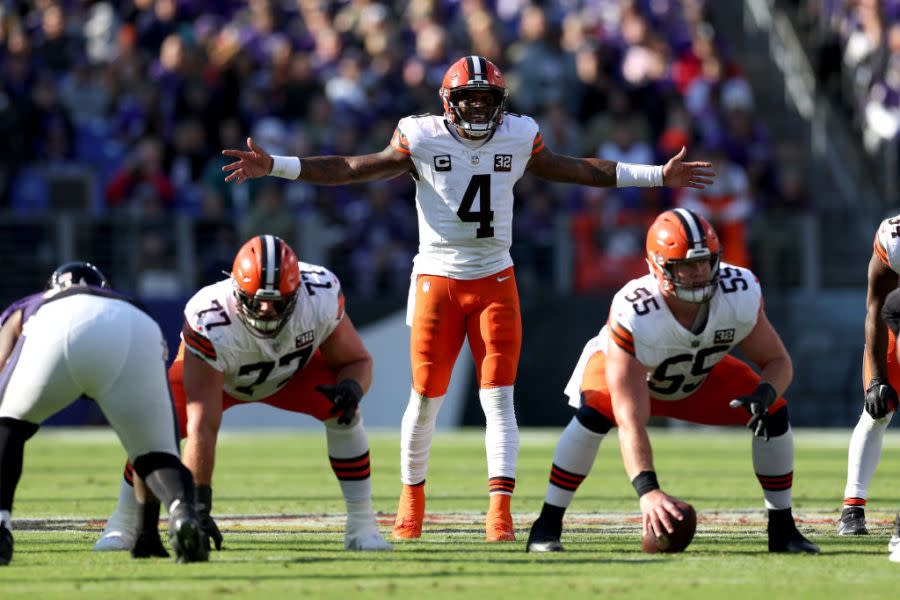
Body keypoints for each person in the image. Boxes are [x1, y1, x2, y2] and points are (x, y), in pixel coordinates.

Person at [221, 56, 715, 542]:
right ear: (448, 102)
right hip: (436, 278)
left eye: (487, 99)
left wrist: (656, 176)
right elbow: (352, 168)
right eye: (469, 99)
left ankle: (499, 513)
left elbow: (578, 170)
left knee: (499, 399)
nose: (478, 109)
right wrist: (277, 166)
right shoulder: (421, 134)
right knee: (426, 398)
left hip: (495, 277)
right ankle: (411, 502)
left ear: (501, 102)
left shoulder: (519, 134)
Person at [525, 209, 818, 554]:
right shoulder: (635, 311)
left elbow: (778, 361)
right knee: (594, 416)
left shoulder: (738, 292)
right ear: (658, 265)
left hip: (697, 375)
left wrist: (765, 393)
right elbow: (631, 421)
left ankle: (782, 530)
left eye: (705, 262)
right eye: (686, 265)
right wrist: (648, 490)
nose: (699, 273)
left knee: (775, 413)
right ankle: (546, 525)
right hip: (633, 376)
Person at [94, 235, 392, 553]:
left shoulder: (319, 294)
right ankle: (122, 523)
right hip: (221, 378)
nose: (266, 309)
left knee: (345, 413)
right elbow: (203, 427)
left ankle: (362, 526)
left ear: (297, 292)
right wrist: (199, 506)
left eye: (278, 300)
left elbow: (356, 361)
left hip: (291, 373)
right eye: (257, 299)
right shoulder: (212, 317)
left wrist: (351, 388)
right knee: (154, 430)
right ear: (236, 290)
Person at [0, 262, 207, 565]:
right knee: (154, 453)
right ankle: (179, 512)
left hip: (53, 325)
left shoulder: (32, 304)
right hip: (134, 326)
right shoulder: (128, 303)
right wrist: (145, 533)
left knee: (8, 424)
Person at [837, 215, 900, 552]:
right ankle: (852, 506)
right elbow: (876, 308)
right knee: (877, 410)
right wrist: (877, 378)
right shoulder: (893, 239)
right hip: (897, 327)